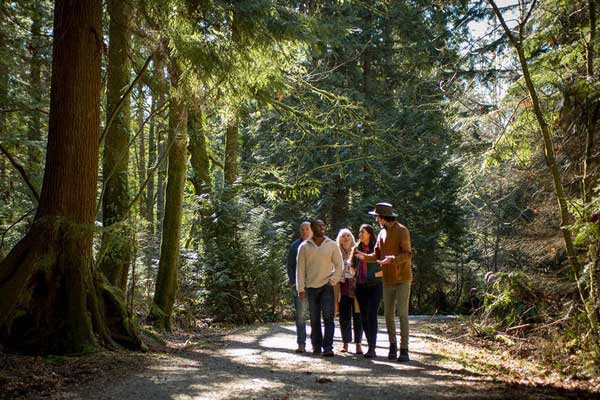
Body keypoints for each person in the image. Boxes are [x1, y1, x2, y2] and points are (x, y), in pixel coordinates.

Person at [356, 202, 413, 362]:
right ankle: (392, 346)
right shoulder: (381, 233)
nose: (376, 219)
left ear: (382, 217)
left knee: (402, 314)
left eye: (377, 217)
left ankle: (404, 349)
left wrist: (393, 259)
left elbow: (408, 254)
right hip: (387, 280)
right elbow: (377, 255)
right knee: (388, 315)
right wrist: (364, 257)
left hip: (402, 278)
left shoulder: (402, 231)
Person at [296, 219, 343, 357]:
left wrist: (333, 281)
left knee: (328, 318)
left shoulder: (332, 245)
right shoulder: (304, 247)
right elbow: (300, 269)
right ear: (312, 228)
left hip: (327, 287)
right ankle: (317, 346)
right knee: (314, 318)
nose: (322, 227)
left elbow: (339, 265)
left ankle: (328, 347)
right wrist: (301, 289)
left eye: (323, 225)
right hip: (310, 288)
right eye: (319, 225)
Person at [351, 224, 382, 358]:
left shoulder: (377, 248)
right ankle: (370, 346)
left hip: (375, 286)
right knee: (363, 315)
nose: (360, 234)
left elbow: (385, 268)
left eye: (363, 232)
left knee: (371, 314)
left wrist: (373, 275)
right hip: (360, 286)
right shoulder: (356, 248)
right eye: (359, 232)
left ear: (370, 233)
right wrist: (353, 272)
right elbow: (352, 267)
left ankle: (372, 347)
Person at [286, 221, 312, 353]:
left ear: (311, 230)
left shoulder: (316, 244)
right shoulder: (295, 246)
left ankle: (316, 344)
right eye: (302, 229)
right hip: (299, 286)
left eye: (307, 229)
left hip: (315, 285)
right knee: (301, 316)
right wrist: (293, 283)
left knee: (315, 316)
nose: (305, 231)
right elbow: (290, 266)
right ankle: (301, 343)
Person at [336, 228, 363, 354]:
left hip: (357, 289)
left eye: (348, 235)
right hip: (342, 289)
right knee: (344, 317)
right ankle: (345, 343)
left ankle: (358, 344)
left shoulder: (357, 250)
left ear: (352, 237)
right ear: (340, 239)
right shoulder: (336, 252)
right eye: (343, 236)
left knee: (358, 317)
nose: (346, 238)